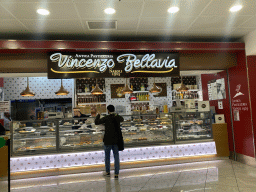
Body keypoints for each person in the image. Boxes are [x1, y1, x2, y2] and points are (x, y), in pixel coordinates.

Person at [95, 105, 124, 179]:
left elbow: (96, 122)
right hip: (116, 140)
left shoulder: (106, 118)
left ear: (108, 110)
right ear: (114, 110)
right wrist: (116, 114)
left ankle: (108, 172)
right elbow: (122, 119)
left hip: (107, 140)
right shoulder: (117, 117)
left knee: (107, 157)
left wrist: (98, 114)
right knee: (116, 157)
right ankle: (116, 174)